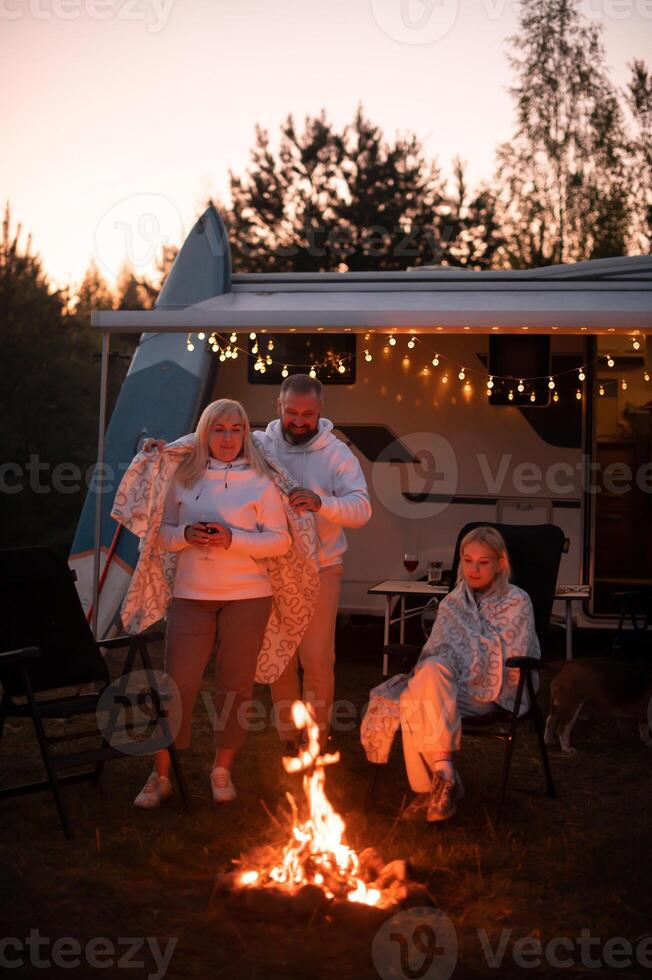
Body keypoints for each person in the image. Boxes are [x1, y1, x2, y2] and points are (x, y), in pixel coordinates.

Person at [133, 398, 291, 809]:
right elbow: (161, 533)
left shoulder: (261, 480)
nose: (226, 438)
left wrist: (232, 539)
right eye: (218, 430)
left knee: (235, 685)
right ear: (205, 433)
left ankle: (222, 769)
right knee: (177, 684)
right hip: (191, 594)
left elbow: (281, 540)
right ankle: (161, 773)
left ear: (245, 434)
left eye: (235, 430)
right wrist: (186, 534)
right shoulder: (183, 475)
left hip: (248, 595)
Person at [362, 526, 539, 823]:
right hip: (447, 687)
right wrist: (446, 665)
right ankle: (444, 776)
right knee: (428, 676)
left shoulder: (517, 601)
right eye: (468, 560)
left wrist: (464, 655)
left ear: (500, 564)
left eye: (483, 562)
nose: (474, 568)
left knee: (416, 694)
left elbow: (512, 655)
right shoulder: (454, 601)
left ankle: (434, 790)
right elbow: (437, 650)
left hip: (491, 692)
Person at [253, 373, 372, 752]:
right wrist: (167, 447)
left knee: (317, 655)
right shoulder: (258, 444)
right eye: (292, 412)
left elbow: (362, 509)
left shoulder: (337, 453)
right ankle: (289, 736)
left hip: (322, 567)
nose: (300, 421)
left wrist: (321, 503)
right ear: (279, 407)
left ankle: (318, 736)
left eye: (308, 413)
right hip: (272, 566)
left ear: (321, 411)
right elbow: (210, 444)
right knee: (278, 651)